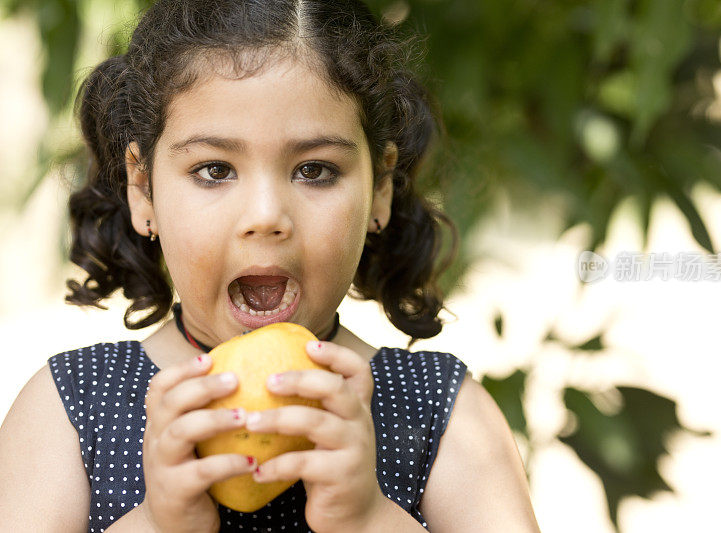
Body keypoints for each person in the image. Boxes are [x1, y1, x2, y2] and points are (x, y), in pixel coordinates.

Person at [0, 1, 541, 531]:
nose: (265, 216)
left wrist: (370, 518)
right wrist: (158, 523)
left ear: (380, 188)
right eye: (214, 170)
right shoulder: (71, 409)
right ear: (143, 188)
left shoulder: (437, 415)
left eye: (314, 170)